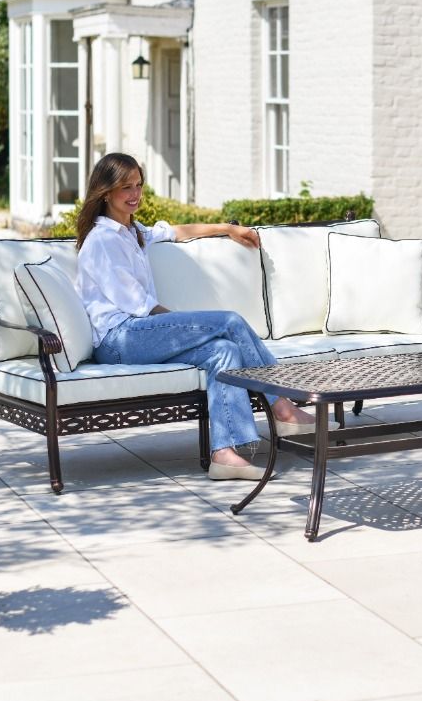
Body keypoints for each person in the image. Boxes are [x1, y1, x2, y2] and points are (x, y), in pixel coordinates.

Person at [75, 153, 312, 480]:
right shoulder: (102, 240)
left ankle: (224, 454)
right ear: (106, 192)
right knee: (228, 322)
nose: (135, 194)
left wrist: (227, 229)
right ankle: (282, 406)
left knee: (223, 351)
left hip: (139, 334)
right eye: (126, 187)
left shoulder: (131, 231)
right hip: (119, 339)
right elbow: (138, 304)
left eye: (139, 185)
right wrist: (190, 326)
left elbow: (176, 232)